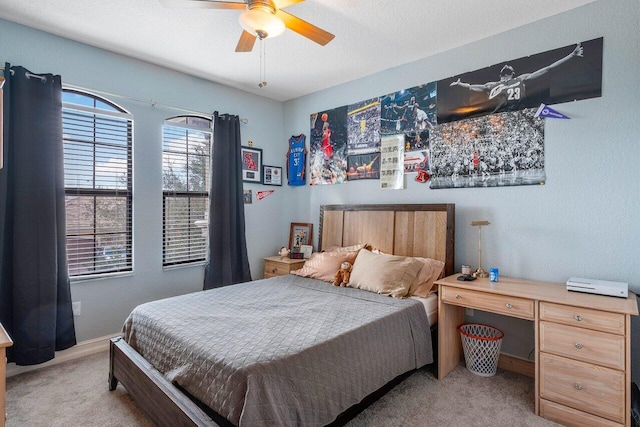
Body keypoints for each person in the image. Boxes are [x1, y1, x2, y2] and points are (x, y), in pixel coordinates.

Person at [450, 43, 584, 113]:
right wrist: (460, 85)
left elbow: (548, 68)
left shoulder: (521, 79)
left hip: (519, 110)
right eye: (505, 68)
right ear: (501, 74)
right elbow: (474, 87)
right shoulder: (493, 85)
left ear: (512, 73)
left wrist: (571, 56)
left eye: (508, 68)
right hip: (500, 114)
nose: (506, 67)